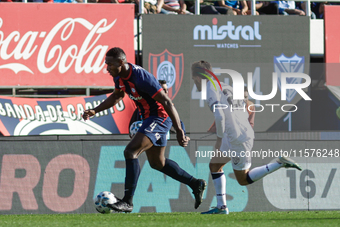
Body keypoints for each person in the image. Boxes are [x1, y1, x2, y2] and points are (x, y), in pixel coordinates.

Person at [82, 48, 206, 213]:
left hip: (159, 117)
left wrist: (180, 130)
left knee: (130, 151)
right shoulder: (119, 77)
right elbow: (117, 96)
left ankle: (127, 202)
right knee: (157, 163)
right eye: (106, 64)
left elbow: (167, 102)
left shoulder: (141, 78)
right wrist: (95, 110)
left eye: (110, 64)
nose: (107, 68)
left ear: (121, 62)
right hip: (149, 118)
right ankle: (195, 183)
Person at [191, 60, 302, 215]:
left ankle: (278, 163)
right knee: (214, 166)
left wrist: (218, 139)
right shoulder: (225, 85)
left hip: (237, 138)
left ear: (197, 77)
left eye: (193, 78)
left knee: (243, 179)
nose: (194, 82)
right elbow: (240, 109)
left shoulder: (210, 89)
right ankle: (221, 207)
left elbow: (220, 116)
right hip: (237, 134)